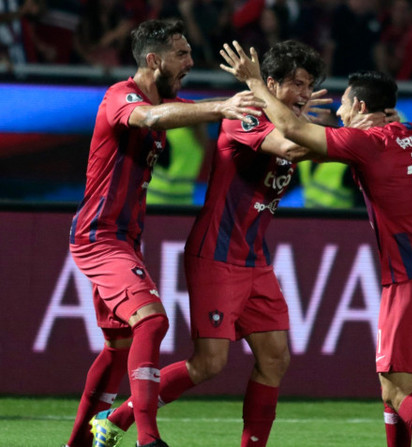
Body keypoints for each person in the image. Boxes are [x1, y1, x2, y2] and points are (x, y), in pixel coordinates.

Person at [221, 41, 412, 447]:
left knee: (399, 392)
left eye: (344, 105)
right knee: (395, 386)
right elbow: (327, 141)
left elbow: (296, 135)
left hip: (410, 278)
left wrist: (254, 84)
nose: (338, 112)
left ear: (361, 108)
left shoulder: (365, 145)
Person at [84, 39, 329, 447]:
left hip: (255, 259)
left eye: (309, 86)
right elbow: (293, 146)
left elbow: (298, 136)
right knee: (209, 364)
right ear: (269, 83)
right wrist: (358, 137)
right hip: (216, 255)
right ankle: (118, 419)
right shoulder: (245, 119)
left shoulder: (285, 116)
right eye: (297, 84)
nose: (304, 94)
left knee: (275, 358)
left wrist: (299, 116)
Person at [64, 19, 266, 447]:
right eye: (182, 54)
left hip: (124, 239)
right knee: (152, 322)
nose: (191, 62)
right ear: (153, 60)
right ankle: (148, 439)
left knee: (119, 347)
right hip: (99, 237)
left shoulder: (165, 103)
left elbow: (177, 110)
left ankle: (78, 443)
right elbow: (152, 115)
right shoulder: (121, 96)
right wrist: (221, 108)